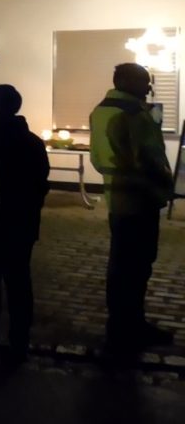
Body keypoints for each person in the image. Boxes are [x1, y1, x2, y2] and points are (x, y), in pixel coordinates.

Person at [89, 63, 175, 354]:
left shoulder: (102, 110)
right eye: (143, 82)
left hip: (118, 198)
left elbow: (100, 158)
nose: (148, 87)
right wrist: (165, 184)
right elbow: (150, 157)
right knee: (136, 266)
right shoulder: (133, 114)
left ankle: (123, 325)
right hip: (140, 197)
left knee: (122, 265)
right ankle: (129, 328)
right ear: (125, 81)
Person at [0, 85, 50, 366]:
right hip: (22, 222)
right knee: (19, 281)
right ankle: (19, 339)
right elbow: (41, 183)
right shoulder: (33, 142)